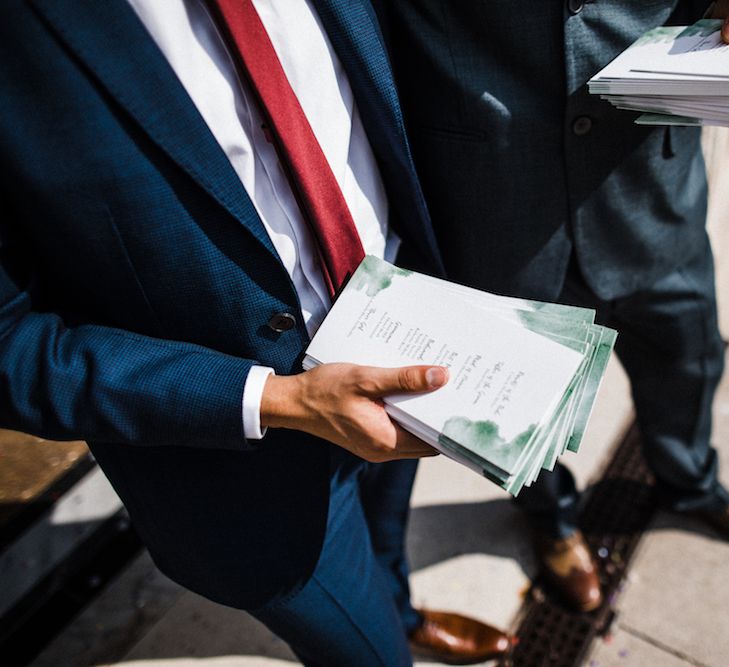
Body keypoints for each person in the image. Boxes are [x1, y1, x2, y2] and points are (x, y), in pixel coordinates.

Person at [0, 0, 513, 664]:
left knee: (387, 527)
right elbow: (11, 345)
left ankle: (401, 602)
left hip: (401, 335)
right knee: (367, 653)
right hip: (239, 452)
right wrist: (277, 400)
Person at [381, 0, 729, 613]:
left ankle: (690, 482)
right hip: (494, 210)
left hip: (651, 188)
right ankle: (550, 517)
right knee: (515, 409)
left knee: (688, 364)